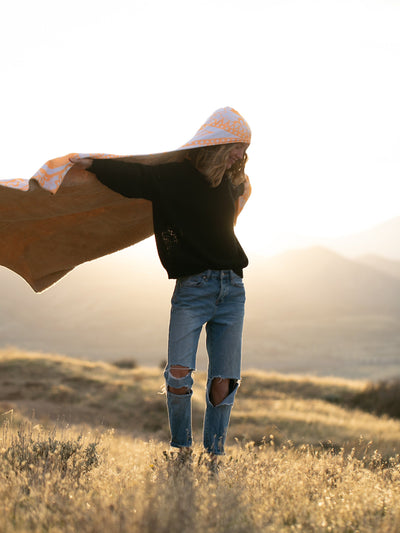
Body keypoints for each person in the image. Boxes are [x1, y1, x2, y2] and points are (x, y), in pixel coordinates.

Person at [74, 107, 251, 458]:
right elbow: (132, 176)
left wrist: (238, 173)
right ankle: (182, 450)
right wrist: (92, 163)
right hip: (193, 289)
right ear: (218, 142)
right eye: (237, 146)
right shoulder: (174, 177)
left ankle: (215, 455)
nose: (241, 155)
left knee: (225, 379)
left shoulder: (232, 183)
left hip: (232, 289)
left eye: (245, 149)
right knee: (179, 374)